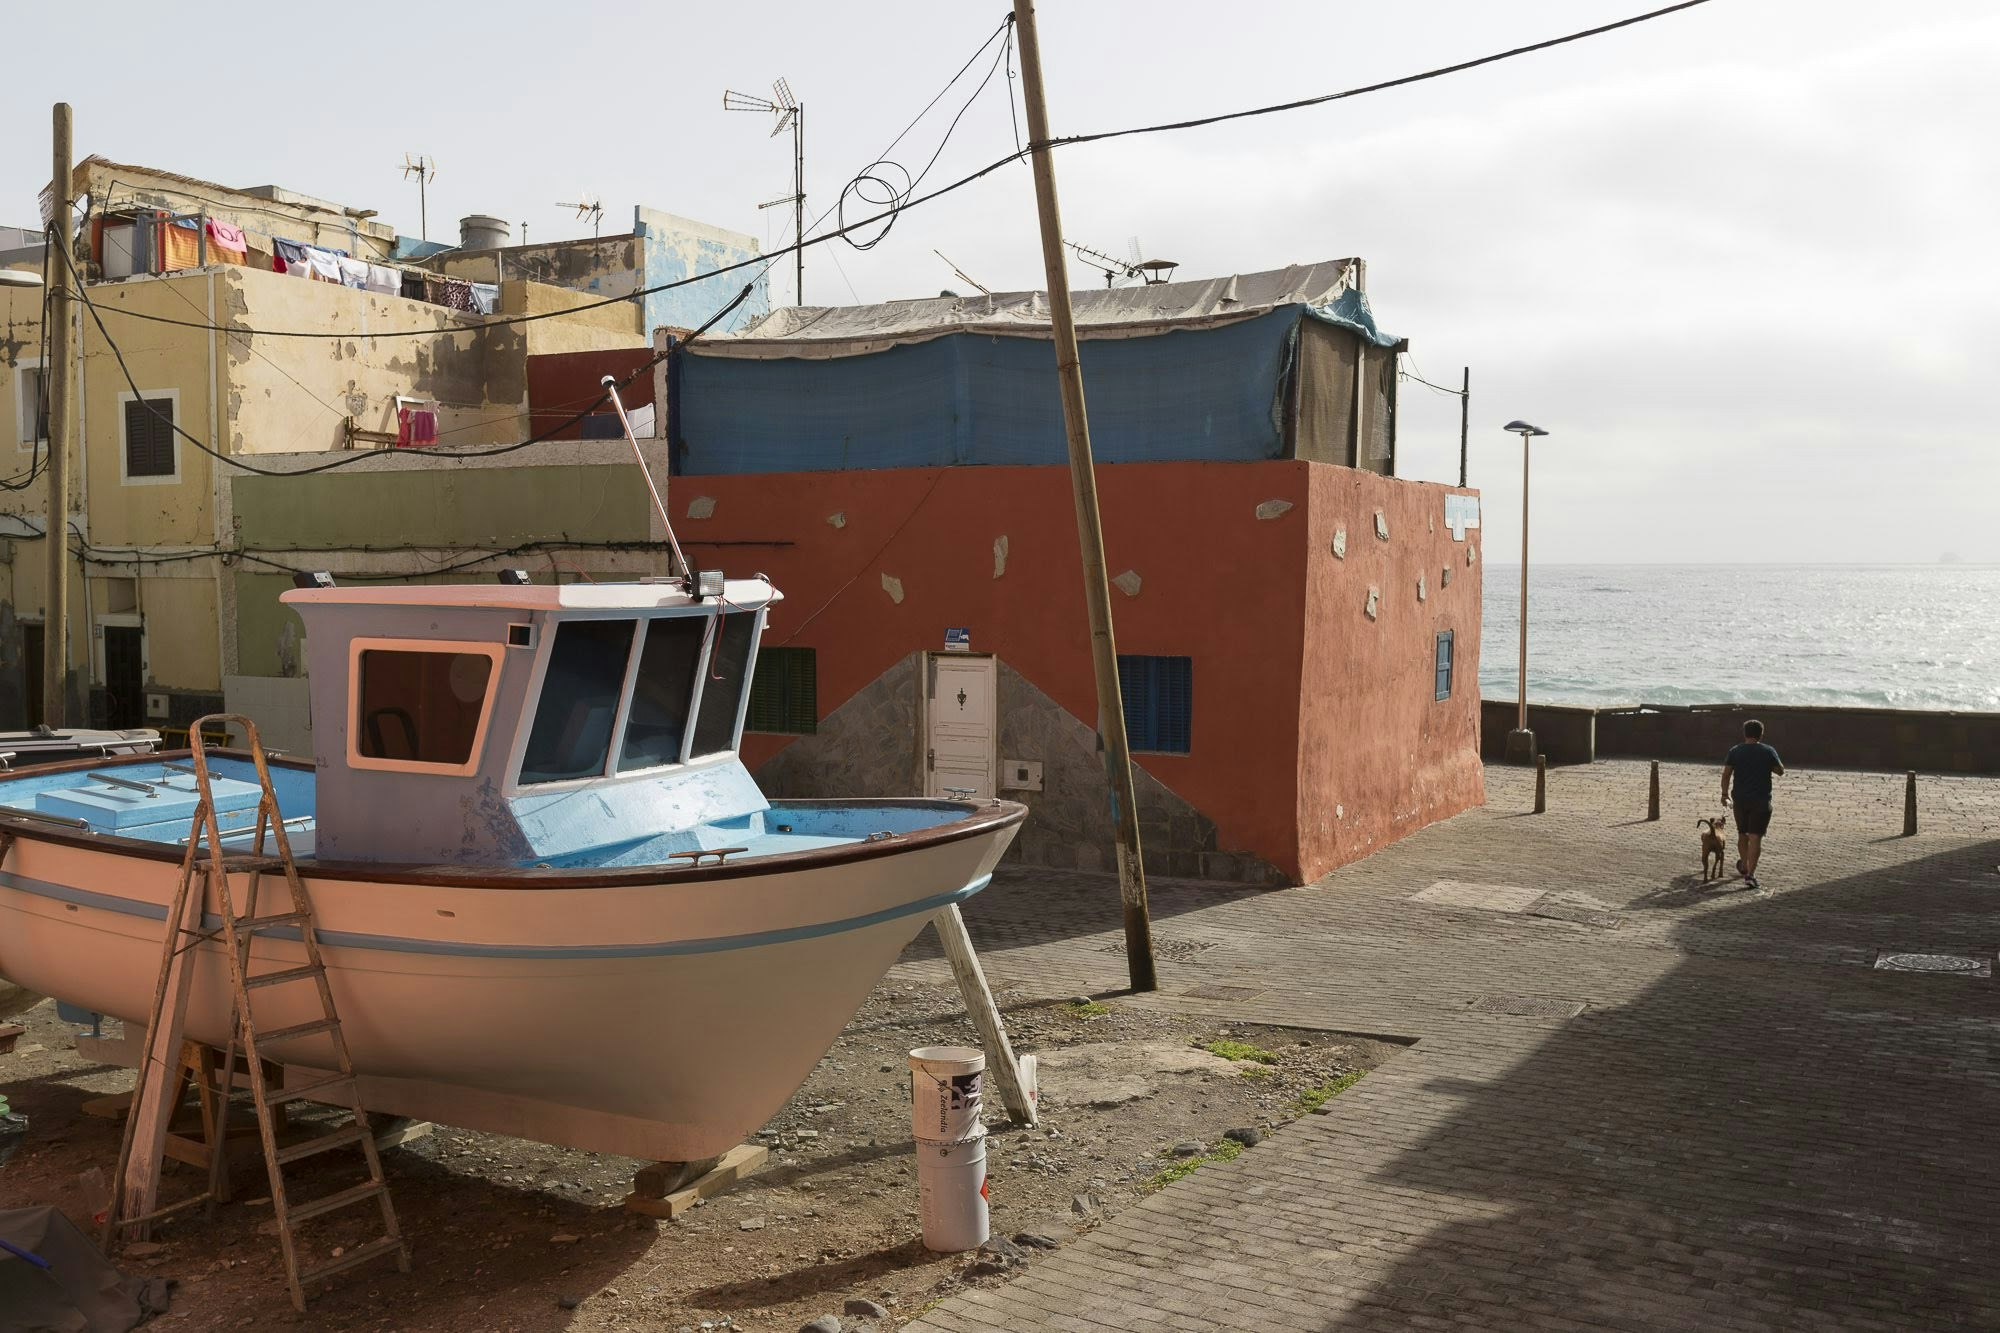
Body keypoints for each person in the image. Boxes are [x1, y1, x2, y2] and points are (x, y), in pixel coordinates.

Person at [1721, 719, 1785, 888]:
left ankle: (1744, 864)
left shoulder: (1735, 750)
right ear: (1761, 734)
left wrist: (1724, 794)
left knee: (1742, 834)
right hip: (1761, 800)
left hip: (1740, 799)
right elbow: (1780, 771)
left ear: (1744, 733)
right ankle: (1750, 875)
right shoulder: (1768, 750)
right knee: (1755, 837)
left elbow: (1726, 774)